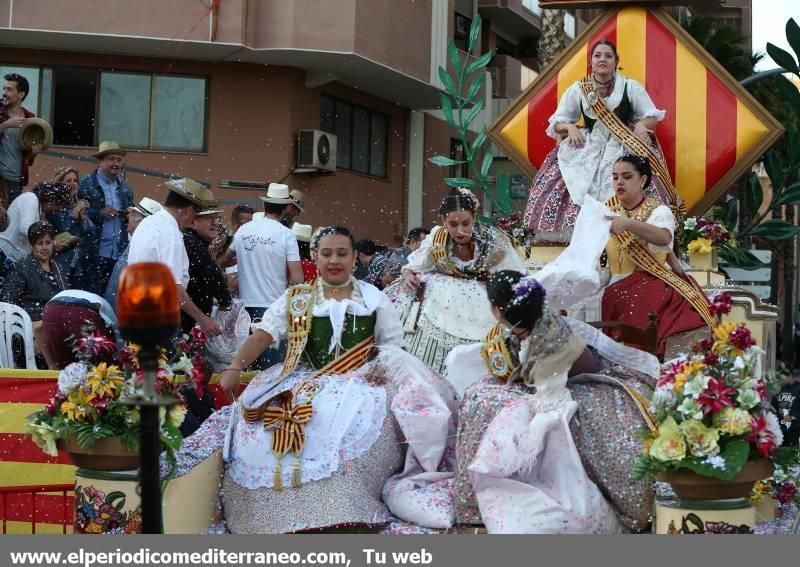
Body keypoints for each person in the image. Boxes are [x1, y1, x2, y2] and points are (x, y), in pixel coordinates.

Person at [167, 226, 456, 533]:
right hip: (302, 377)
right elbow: (264, 335)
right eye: (327, 253)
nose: (335, 260)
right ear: (315, 257)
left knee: (344, 426)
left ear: (355, 258)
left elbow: (392, 346)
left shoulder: (373, 299)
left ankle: (342, 509)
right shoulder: (297, 298)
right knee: (264, 425)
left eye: (342, 253)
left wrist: (380, 368)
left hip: (359, 383)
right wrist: (235, 366)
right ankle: (265, 516)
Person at [449, 270, 659, 533]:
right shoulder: (529, 322)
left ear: (496, 310)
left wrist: (524, 445)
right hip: (551, 380)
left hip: (582, 385)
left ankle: (510, 484)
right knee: (481, 395)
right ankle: (483, 491)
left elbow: (549, 400)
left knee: (492, 406)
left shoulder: (549, 340)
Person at [524, 40, 672, 242]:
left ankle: (630, 234)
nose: (602, 59)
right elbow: (557, 122)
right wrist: (570, 127)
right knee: (571, 183)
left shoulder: (630, 86)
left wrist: (639, 126)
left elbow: (651, 116)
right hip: (588, 147)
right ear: (591, 62)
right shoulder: (579, 89)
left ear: (616, 61)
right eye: (598, 55)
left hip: (624, 144)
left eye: (608, 56)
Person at [388, 188, 527, 374]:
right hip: (443, 298)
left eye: (465, 223)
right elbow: (414, 265)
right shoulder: (437, 238)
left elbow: (514, 276)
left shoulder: (492, 240)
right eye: (453, 224)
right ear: (443, 221)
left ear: (474, 218)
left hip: (483, 298)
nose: (460, 231)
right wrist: (408, 276)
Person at [600, 155, 709, 356]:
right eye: (615, 177)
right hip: (614, 281)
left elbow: (663, 237)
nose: (619, 182)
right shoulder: (607, 209)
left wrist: (628, 224)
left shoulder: (659, 211)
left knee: (629, 298)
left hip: (650, 280)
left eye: (627, 176)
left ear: (642, 180)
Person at [217, 183, 303, 369]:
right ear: (286, 208)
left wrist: (247, 263)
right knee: (271, 373)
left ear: (265, 206)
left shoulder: (244, 230)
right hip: (274, 310)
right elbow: (297, 279)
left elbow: (223, 262)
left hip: (244, 311)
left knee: (244, 369)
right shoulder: (286, 235)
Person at [127, 178, 221, 337]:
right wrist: (202, 319)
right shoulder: (169, 232)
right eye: (196, 214)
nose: (193, 221)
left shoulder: (148, 222)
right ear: (188, 211)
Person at [1, 222, 67, 369]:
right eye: (39, 243)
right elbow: (7, 307)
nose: (44, 247)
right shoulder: (21, 269)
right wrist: (31, 324)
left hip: (54, 328)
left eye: (48, 243)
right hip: (28, 333)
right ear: (32, 245)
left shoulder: (58, 268)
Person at [77, 140, 134, 294]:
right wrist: (99, 213)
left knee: (113, 297)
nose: (115, 163)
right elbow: (76, 215)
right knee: (92, 297)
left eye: (118, 160)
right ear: (99, 162)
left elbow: (130, 216)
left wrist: (130, 214)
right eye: (111, 159)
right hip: (93, 252)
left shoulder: (125, 188)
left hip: (117, 253)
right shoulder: (85, 184)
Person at [0, 181, 72, 289]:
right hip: (6, 253)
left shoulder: (37, 207)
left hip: (12, 255)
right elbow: (25, 227)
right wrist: (49, 243)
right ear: (52, 200)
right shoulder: (31, 198)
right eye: (59, 205)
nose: (58, 210)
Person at [104, 197, 162, 310]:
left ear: (141, 220)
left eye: (132, 213)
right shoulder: (137, 242)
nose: (128, 216)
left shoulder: (144, 247)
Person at [182, 206, 232, 333]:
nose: (215, 222)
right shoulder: (193, 244)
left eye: (217, 217)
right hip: (187, 322)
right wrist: (225, 300)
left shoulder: (190, 240)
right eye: (209, 218)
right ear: (193, 221)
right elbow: (213, 277)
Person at [41, 289, 117, 369]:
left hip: (52, 310)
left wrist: (52, 365)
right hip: (83, 311)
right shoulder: (114, 321)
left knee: (64, 369)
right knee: (104, 368)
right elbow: (115, 351)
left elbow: (37, 328)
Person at [47, 166, 93, 285]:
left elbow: (90, 233)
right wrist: (75, 211)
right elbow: (64, 231)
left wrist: (83, 218)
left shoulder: (77, 203)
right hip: (59, 263)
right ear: (58, 184)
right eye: (68, 181)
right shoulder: (54, 206)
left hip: (77, 263)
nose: (73, 183)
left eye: (75, 180)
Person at [0, 73, 39, 214]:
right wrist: (5, 125)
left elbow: (28, 159)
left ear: (21, 94)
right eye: (4, 89)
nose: (4, 93)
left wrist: (33, 153)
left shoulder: (30, 119)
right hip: (0, 178)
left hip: (16, 180)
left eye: (9, 90)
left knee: (11, 224)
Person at [773, 370, 800, 447]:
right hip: (779, 428)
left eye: (783, 378)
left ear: (790, 375)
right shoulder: (778, 388)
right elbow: (774, 405)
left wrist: (792, 417)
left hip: (794, 428)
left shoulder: (798, 388)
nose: (781, 380)